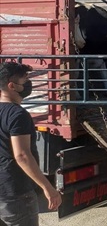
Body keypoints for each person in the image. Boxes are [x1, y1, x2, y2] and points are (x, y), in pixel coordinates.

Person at [0, 62, 62, 225]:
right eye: (25, 80)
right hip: (15, 192)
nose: (29, 84)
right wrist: (48, 188)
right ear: (12, 86)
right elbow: (22, 156)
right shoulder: (17, 114)